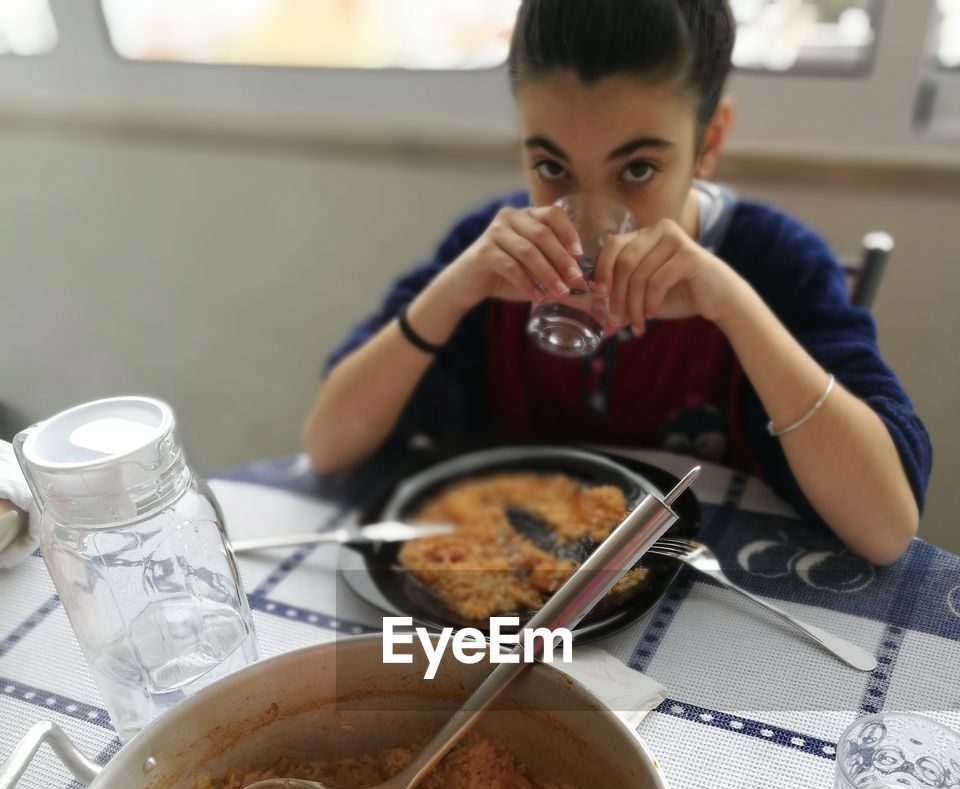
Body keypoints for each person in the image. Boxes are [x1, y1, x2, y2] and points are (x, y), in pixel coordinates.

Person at [303, 0, 930, 565]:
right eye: (551, 166)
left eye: (637, 168)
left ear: (708, 143)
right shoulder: (491, 258)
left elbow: (885, 528)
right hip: (517, 595)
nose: (590, 219)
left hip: (707, 611)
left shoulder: (773, 262)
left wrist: (736, 308)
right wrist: (452, 293)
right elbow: (328, 447)